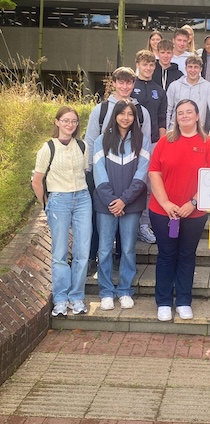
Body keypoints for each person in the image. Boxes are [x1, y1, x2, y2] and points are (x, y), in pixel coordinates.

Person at [149, 99, 210, 321]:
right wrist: (167, 203)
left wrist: (193, 203)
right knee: (167, 255)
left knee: (187, 256)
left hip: (194, 212)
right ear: (176, 117)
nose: (185, 116)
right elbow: (154, 173)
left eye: (190, 112)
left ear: (198, 116)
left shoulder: (208, 144)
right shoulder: (164, 142)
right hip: (163, 212)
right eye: (181, 113)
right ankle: (163, 301)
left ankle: (183, 300)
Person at [84, 67, 152, 273]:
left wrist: (129, 193)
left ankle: (121, 261)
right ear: (114, 83)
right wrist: (90, 171)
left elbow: (145, 143)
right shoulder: (101, 109)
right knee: (99, 225)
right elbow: (89, 140)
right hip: (102, 173)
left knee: (126, 232)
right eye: (121, 82)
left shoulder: (141, 112)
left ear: (133, 84)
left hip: (130, 177)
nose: (125, 86)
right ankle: (93, 258)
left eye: (129, 83)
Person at [32, 106, 92, 317]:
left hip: (83, 199)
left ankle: (76, 297)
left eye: (74, 121)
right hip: (58, 200)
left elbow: (83, 172)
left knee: (82, 253)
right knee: (59, 254)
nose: (70, 124)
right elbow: (37, 181)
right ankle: (60, 299)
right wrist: (45, 204)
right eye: (65, 120)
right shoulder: (48, 148)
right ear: (57, 122)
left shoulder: (83, 146)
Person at [93, 100, 150, 311]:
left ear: (135, 118)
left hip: (131, 204)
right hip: (106, 204)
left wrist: (124, 200)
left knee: (127, 249)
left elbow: (142, 173)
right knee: (105, 249)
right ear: (115, 115)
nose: (126, 117)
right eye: (122, 113)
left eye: (130, 114)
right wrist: (112, 201)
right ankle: (106, 292)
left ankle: (125, 290)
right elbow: (99, 174)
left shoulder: (141, 141)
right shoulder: (102, 140)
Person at [132, 50, 167, 243]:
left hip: (153, 143)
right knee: (132, 183)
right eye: (145, 64)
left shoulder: (159, 90)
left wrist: (161, 145)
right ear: (137, 64)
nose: (148, 68)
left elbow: (163, 119)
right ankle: (129, 223)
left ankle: (144, 224)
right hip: (131, 145)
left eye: (151, 65)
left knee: (150, 186)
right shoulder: (130, 86)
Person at [166, 55, 210, 141]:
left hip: (197, 130)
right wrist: (167, 129)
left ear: (200, 69)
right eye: (190, 67)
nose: (193, 70)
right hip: (176, 131)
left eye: (196, 67)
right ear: (186, 68)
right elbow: (168, 109)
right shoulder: (174, 85)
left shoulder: (208, 86)